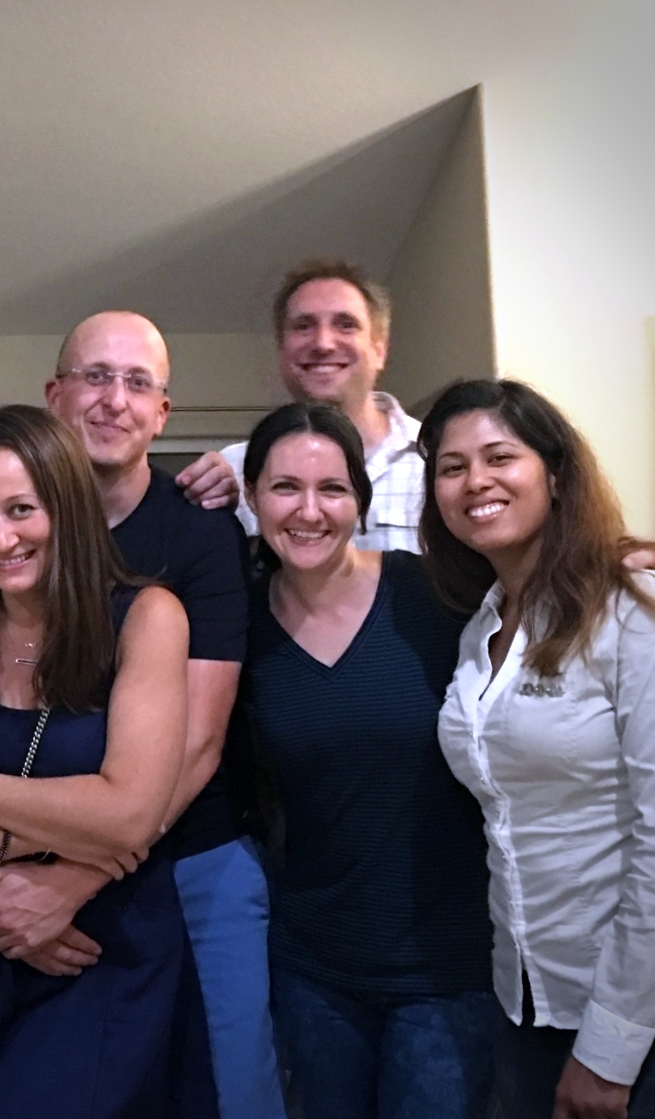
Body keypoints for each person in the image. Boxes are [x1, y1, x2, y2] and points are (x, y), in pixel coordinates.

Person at [0, 404, 217, 1118]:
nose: (0, 538)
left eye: (21, 509)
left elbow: (130, 814)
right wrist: (22, 861)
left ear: (67, 506)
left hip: (99, 946)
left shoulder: (147, 616)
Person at [28, 311, 277, 1118]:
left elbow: (198, 741)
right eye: (95, 377)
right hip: (33, 847)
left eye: (137, 383)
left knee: (231, 1091)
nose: (114, 400)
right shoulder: (9, 524)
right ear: (55, 394)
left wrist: (77, 878)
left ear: (162, 413)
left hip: (190, 852)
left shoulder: (200, 531)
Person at [238, 403, 497, 1119]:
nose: (309, 511)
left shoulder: (436, 593)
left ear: (361, 498)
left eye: (332, 488)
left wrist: (620, 559)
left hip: (449, 967)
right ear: (250, 495)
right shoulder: (237, 623)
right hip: (311, 966)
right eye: (285, 487)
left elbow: (546, 584)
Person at [424, 380, 655, 1119]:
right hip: (524, 998)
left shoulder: (631, 612)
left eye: (499, 457)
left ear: (554, 474)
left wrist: (610, 1049)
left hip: (629, 1013)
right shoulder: (480, 627)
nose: (475, 481)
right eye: (452, 467)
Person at [178, 259, 424, 551]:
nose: (323, 343)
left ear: (379, 349)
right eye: (304, 326)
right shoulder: (232, 472)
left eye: (346, 325)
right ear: (282, 350)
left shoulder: (435, 463)